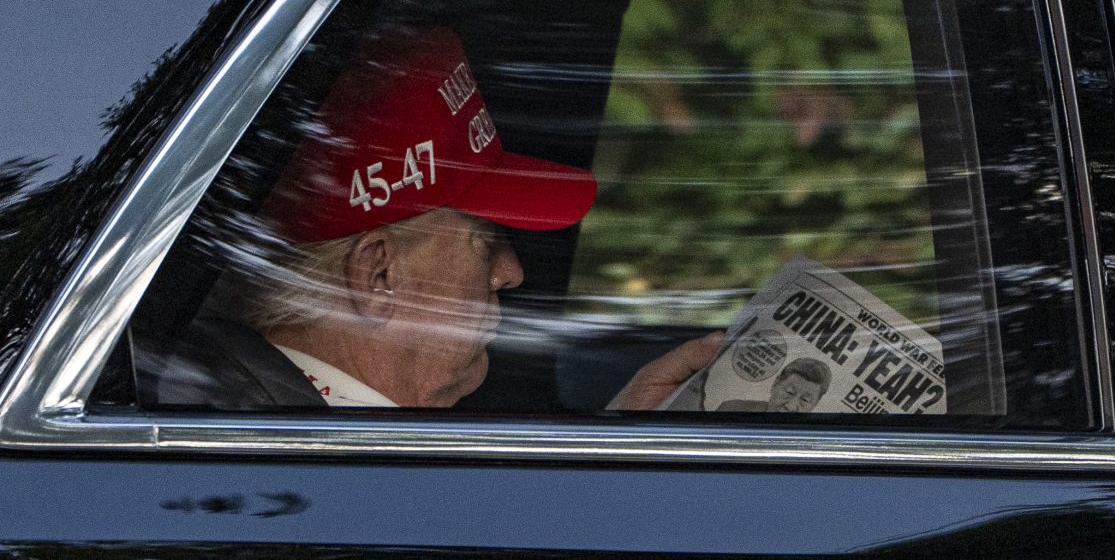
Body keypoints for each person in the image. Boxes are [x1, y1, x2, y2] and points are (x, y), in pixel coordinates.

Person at [137, 27, 719, 410]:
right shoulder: (273, 454)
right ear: (378, 275)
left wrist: (612, 446)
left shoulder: (275, 427)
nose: (511, 271)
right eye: (483, 239)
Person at [716, 357, 831, 413]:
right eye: (789, 392)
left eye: (805, 400)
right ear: (775, 384)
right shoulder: (731, 410)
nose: (790, 406)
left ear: (815, 405)